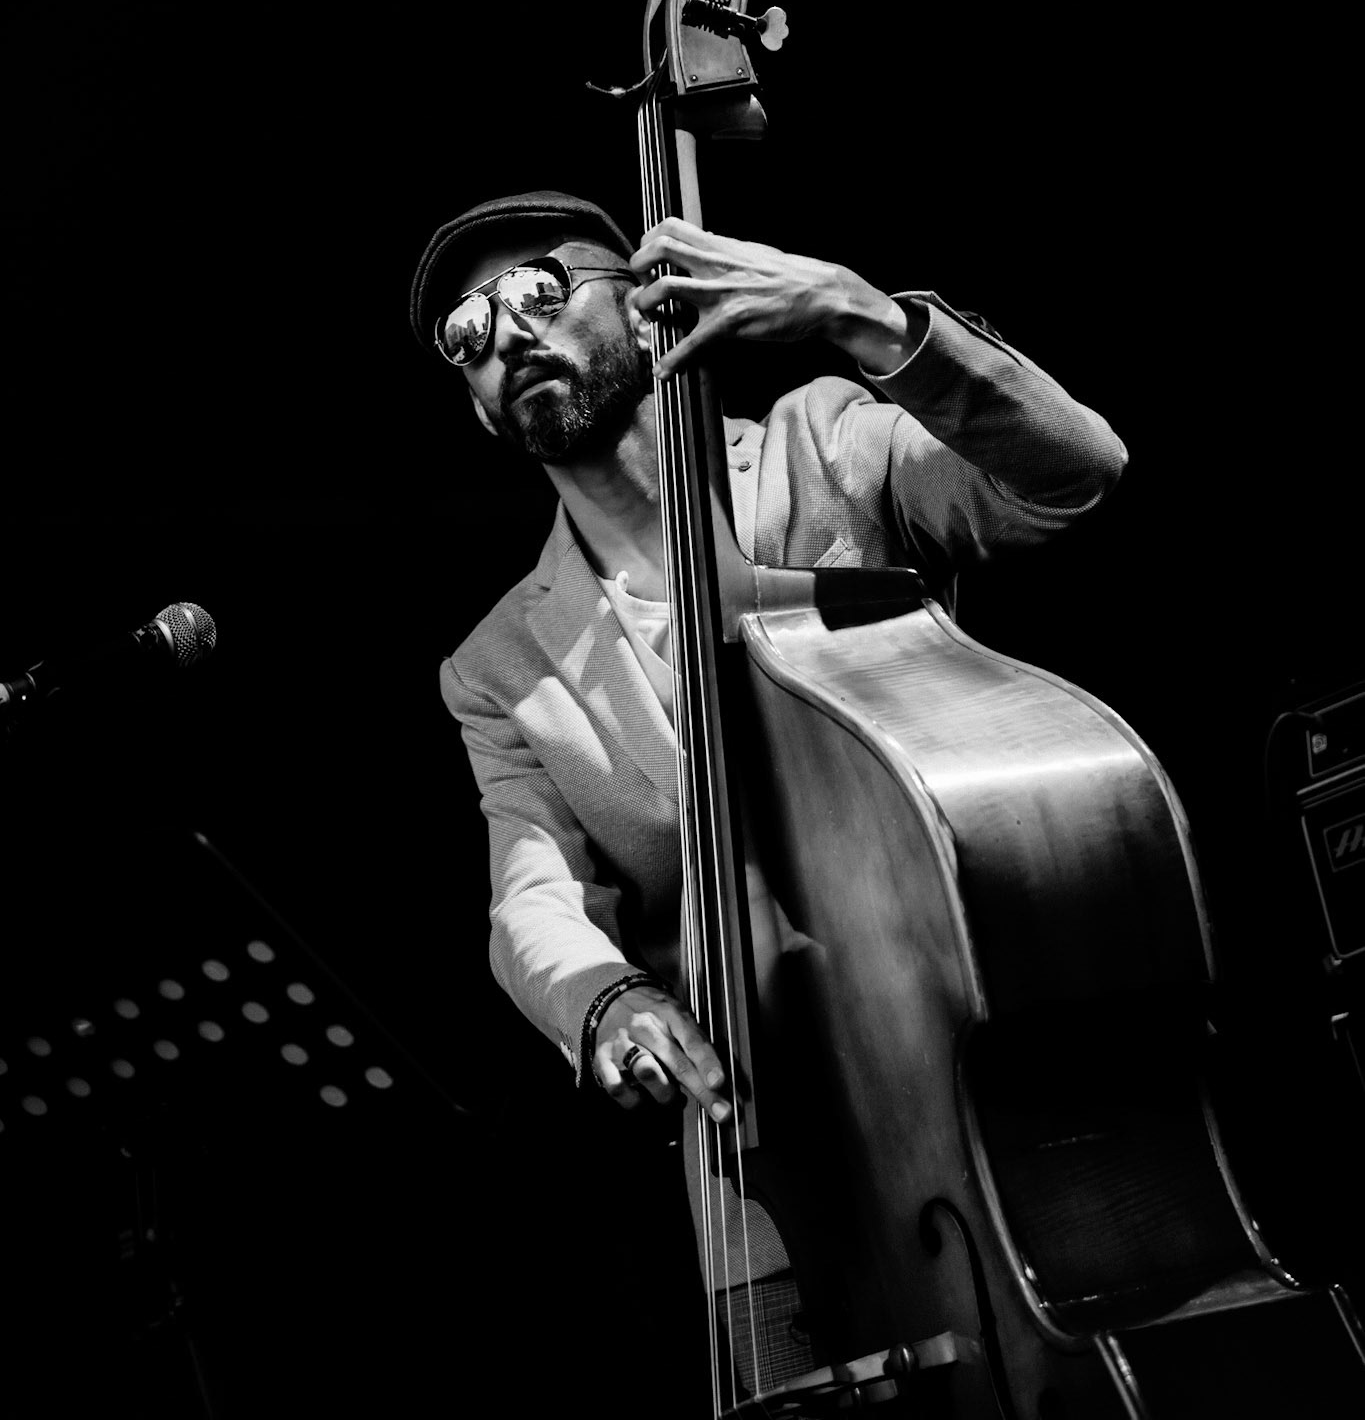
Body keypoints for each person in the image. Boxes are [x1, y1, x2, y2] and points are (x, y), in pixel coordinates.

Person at [409, 186, 1128, 1388]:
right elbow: (529, 895)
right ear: (475, 408)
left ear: (649, 304)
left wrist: (863, 315)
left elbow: (1073, 471)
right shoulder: (496, 665)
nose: (507, 334)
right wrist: (607, 1003)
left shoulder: (826, 445)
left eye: (540, 288)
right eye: (467, 336)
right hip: (766, 1150)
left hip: (982, 1059)